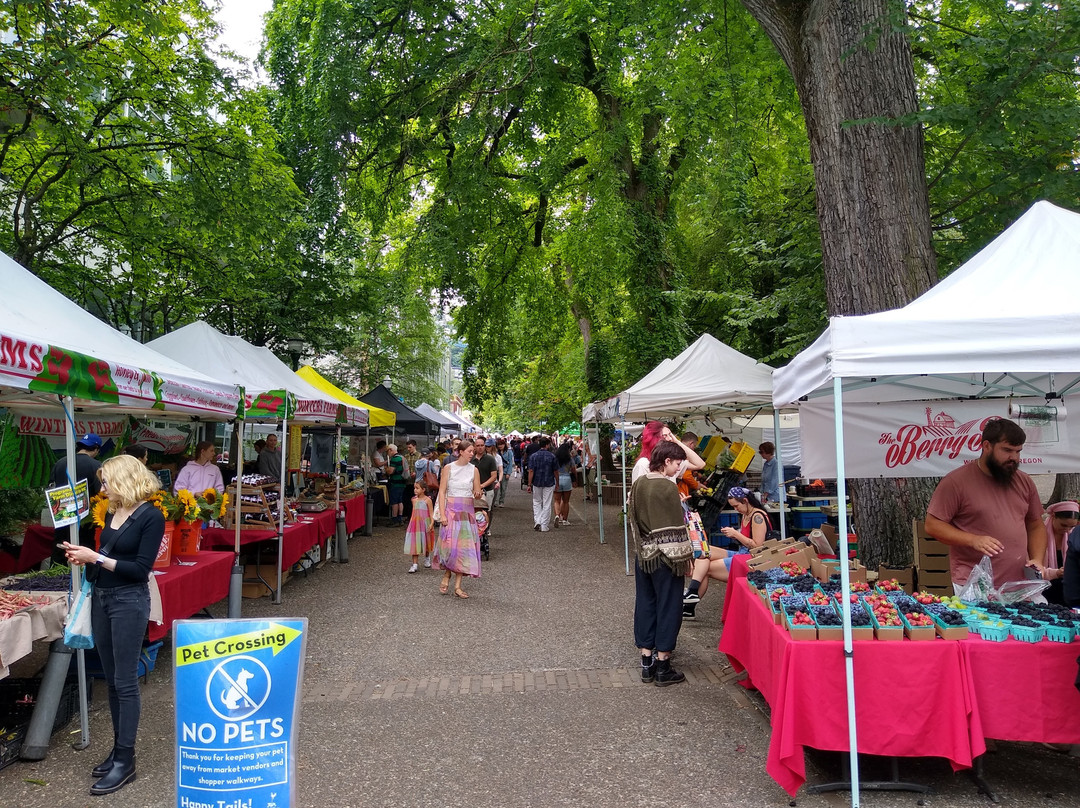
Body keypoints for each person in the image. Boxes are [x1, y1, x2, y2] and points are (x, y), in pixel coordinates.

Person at [61, 454, 165, 795]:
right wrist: (87, 558)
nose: (101, 488)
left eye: (106, 482)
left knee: (125, 680)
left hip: (129, 602)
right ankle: (119, 749)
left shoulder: (151, 516)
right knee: (113, 680)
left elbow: (139, 569)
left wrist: (97, 558)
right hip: (103, 600)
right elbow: (109, 557)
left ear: (124, 480)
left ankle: (126, 759)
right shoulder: (110, 511)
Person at [924, 418, 1046, 591]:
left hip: (1019, 584)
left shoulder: (1024, 481)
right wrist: (973, 540)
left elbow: (1035, 525)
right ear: (986, 446)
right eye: (1007, 450)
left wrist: (1037, 559)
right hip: (974, 585)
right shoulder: (955, 482)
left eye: (1018, 451)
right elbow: (932, 525)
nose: (1014, 457)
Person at [629, 440, 691, 687]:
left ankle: (646, 663)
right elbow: (676, 530)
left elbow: (633, 518)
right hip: (668, 559)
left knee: (645, 602)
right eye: (677, 464)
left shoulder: (639, 484)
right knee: (669, 606)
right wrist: (686, 558)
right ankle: (663, 664)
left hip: (644, 555)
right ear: (666, 461)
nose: (678, 469)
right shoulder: (666, 487)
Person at [683, 487, 772, 619]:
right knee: (705, 551)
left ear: (745, 501)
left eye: (736, 506)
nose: (736, 509)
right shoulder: (746, 514)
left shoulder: (757, 516)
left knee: (705, 568)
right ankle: (691, 595)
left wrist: (736, 534)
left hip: (751, 558)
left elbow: (757, 546)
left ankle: (689, 603)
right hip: (742, 552)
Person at [433, 441, 482, 598]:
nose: (472, 453)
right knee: (450, 546)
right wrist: (442, 513)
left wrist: (478, 494)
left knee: (464, 547)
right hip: (452, 510)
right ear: (460, 452)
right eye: (469, 451)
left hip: (467, 512)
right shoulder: (449, 468)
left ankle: (458, 586)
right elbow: (442, 492)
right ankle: (447, 575)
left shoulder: (474, 470)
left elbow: (477, 491)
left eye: (473, 451)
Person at [50, 432, 103, 561]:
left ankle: (56, 577)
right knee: (84, 549)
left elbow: (51, 487)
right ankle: (82, 578)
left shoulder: (60, 463)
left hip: (62, 514)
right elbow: (101, 492)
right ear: (96, 449)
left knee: (60, 547)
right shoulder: (96, 466)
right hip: (86, 517)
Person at [632, 422, 705, 484]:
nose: (670, 439)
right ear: (654, 439)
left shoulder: (671, 462)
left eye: (670, 435)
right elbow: (638, 495)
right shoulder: (644, 463)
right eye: (665, 436)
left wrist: (677, 442)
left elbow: (700, 464)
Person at [1039, 501, 1080, 605]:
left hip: (1067, 591)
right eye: (1063, 525)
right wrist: (1055, 573)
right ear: (1053, 516)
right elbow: (1032, 569)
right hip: (1043, 590)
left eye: (1071, 527)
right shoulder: (1039, 536)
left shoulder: (1073, 539)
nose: (1067, 530)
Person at [527, 436, 559, 532]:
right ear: (547, 445)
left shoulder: (533, 456)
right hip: (549, 482)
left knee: (537, 502)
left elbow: (531, 471)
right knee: (547, 503)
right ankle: (544, 525)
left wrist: (529, 484)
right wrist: (557, 482)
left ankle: (537, 521)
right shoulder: (552, 456)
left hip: (536, 482)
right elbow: (556, 471)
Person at [404, 481, 434, 573]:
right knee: (415, 543)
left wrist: (431, 523)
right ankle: (415, 564)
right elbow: (413, 512)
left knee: (426, 541)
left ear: (423, 490)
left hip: (425, 523)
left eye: (417, 488)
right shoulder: (413, 499)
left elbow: (431, 513)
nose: (415, 490)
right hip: (415, 524)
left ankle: (427, 557)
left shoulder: (428, 500)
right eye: (414, 488)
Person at [553, 441, 575, 526]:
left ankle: (557, 515)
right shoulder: (570, 459)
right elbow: (573, 470)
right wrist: (575, 480)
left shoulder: (555, 459)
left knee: (556, 501)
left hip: (557, 479)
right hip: (566, 479)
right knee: (566, 501)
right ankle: (565, 519)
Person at [472, 437, 499, 508]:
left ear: (484, 446)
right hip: (472, 490)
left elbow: (494, 476)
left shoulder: (490, 459)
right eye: (478, 446)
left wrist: (481, 486)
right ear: (474, 447)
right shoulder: (470, 459)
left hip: (488, 490)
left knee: (487, 511)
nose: (480, 447)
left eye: (482, 445)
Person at [385, 443, 407, 526]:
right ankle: (400, 518)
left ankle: (394, 519)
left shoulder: (394, 459)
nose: (387, 453)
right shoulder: (402, 457)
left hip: (395, 483)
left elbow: (390, 471)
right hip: (402, 482)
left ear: (391, 450)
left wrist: (386, 469)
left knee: (394, 501)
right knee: (400, 501)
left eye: (388, 451)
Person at [495, 438, 514, 507]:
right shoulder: (496, 452)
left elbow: (510, 463)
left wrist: (508, 473)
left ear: (504, 445)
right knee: (496, 487)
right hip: (496, 471)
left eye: (501, 444)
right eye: (499, 445)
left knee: (503, 488)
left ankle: (501, 501)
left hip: (505, 471)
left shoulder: (509, 452)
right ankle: (495, 501)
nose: (500, 446)